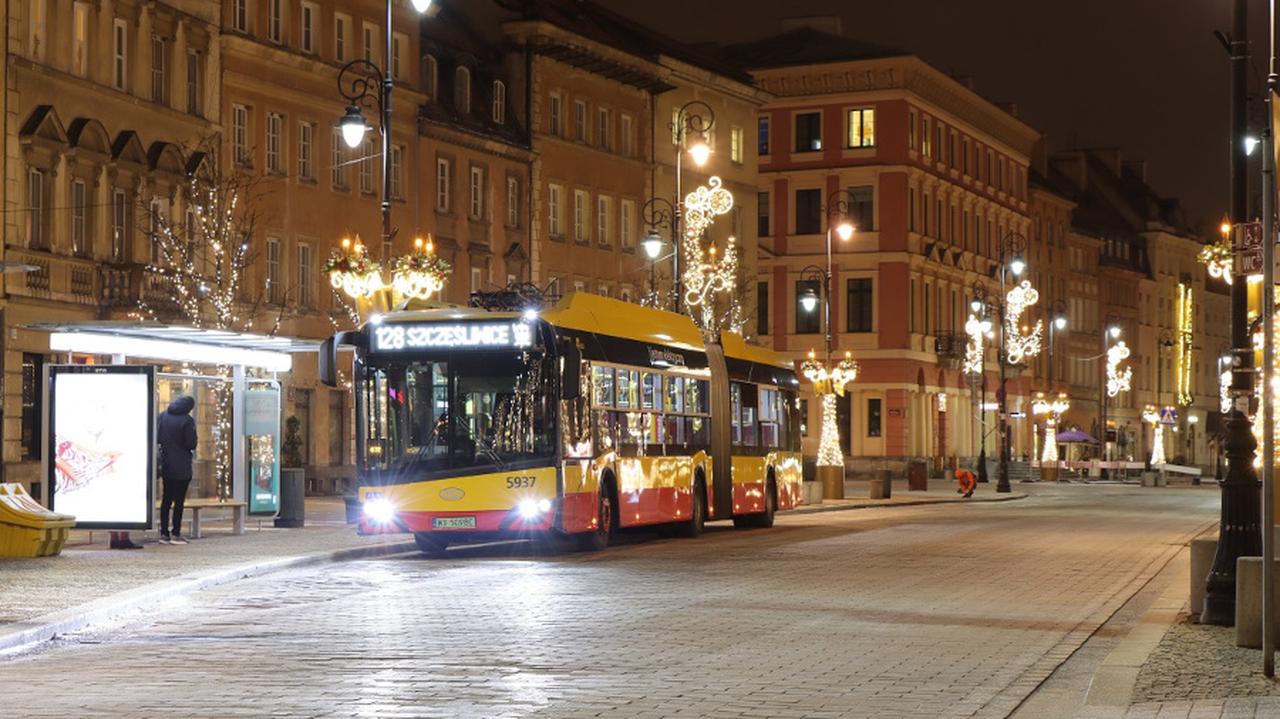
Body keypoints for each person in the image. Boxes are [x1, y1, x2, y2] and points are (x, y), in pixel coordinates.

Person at [157, 395, 197, 545]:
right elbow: (191, 443)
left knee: (166, 499)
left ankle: (163, 534)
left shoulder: (163, 416)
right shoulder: (187, 420)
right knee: (179, 501)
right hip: (182, 466)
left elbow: (158, 437)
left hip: (166, 464)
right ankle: (176, 532)